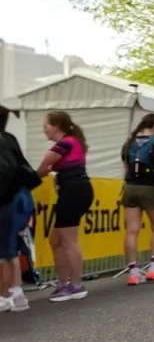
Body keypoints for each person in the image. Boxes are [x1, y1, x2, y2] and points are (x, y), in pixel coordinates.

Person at [34, 110, 93, 302]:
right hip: (74, 190)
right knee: (56, 241)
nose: (44, 130)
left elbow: (44, 166)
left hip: (74, 191)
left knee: (69, 240)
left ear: (56, 126)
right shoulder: (73, 142)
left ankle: (76, 285)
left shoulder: (66, 143)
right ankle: (64, 283)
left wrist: (27, 180)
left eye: (46, 126)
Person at [120, 113, 154, 285]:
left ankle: (133, 272)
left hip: (130, 187)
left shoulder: (129, 143)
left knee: (132, 230)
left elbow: (126, 166)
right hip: (151, 187)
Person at [0, 103, 37, 312]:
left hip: (6, 201)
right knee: (11, 248)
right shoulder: (10, 139)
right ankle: (17, 293)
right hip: (21, 199)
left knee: (3, 251)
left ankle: (4, 295)